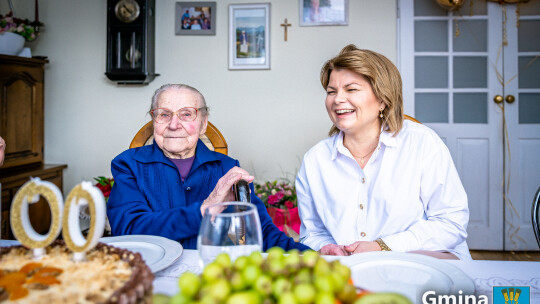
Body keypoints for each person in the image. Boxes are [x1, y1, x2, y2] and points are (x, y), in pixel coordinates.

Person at [296, 45, 471, 260]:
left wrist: (383, 247)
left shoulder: (422, 143)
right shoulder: (315, 160)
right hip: (350, 274)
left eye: (351, 89)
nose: (337, 99)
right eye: (332, 91)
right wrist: (325, 247)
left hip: (423, 267)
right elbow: (312, 234)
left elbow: (451, 224)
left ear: (382, 99)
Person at [107, 84, 309, 252]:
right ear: (154, 121)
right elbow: (128, 230)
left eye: (186, 114)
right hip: (150, 276)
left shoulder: (227, 168)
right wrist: (205, 210)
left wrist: (319, 258)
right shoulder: (129, 165)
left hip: (212, 278)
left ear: (203, 124)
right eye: (164, 114)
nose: (174, 124)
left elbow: (260, 232)